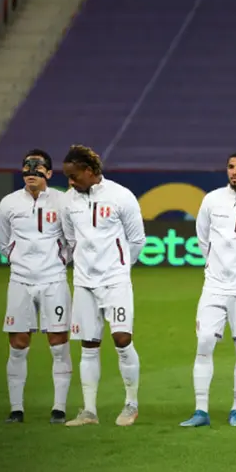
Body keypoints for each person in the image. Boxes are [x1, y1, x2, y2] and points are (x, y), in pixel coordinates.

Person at [181, 152, 236, 428]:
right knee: (204, 342)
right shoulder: (212, 200)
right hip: (214, 286)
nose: (234, 171)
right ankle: (201, 410)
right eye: (231, 167)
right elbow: (202, 237)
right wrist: (214, 266)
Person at [60, 145, 146, 427]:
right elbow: (71, 240)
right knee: (88, 344)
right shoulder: (68, 202)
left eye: (74, 176)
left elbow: (137, 240)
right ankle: (89, 411)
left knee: (122, 339)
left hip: (115, 281)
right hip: (84, 282)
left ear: (89, 171)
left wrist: (119, 268)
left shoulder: (121, 196)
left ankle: (131, 404)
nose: (70, 182)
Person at [0, 149, 73, 424]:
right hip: (20, 280)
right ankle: (16, 409)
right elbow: (3, 242)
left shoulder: (62, 202)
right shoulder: (8, 203)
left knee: (58, 343)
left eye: (37, 168)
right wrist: (20, 262)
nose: (31, 172)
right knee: (18, 343)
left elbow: (71, 239)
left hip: (54, 280)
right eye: (26, 167)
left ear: (49, 173)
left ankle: (59, 408)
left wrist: (59, 261)